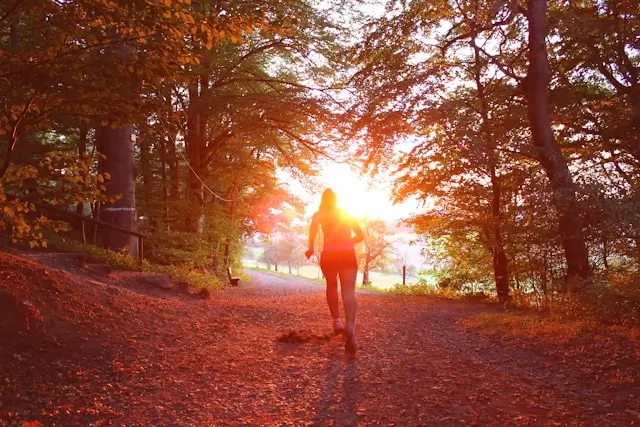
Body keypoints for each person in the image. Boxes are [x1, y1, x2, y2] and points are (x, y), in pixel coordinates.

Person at [305, 188, 364, 355]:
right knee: (349, 291)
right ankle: (350, 327)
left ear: (323, 200)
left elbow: (312, 233)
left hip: (329, 254)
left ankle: (337, 322)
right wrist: (347, 241)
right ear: (337, 201)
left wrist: (310, 248)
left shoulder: (318, 215)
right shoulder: (347, 215)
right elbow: (360, 235)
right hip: (347, 254)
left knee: (331, 285)